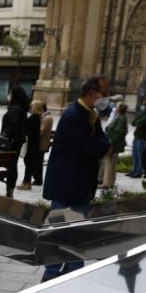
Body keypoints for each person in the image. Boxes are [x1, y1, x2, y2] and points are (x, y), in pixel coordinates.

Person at [41, 77, 111, 280]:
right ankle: (52, 274)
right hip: (68, 185)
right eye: (103, 93)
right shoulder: (74, 115)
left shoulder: (90, 115)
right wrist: (103, 146)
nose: (105, 97)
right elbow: (89, 146)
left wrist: (101, 144)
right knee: (60, 231)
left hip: (79, 184)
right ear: (92, 93)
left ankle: (73, 271)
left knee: (75, 231)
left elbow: (100, 139)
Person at [0, 85, 31, 191]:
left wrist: (4, 134)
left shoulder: (15, 109)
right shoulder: (22, 109)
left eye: (10, 93)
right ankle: (10, 189)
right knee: (13, 165)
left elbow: (12, 126)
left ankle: (10, 189)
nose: (8, 96)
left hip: (11, 142)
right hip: (17, 141)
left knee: (11, 166)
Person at [101, 101, 129, 190]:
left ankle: (107, 183)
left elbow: (119, 132)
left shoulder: (121, 118)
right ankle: (109, 182)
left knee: (109, 163)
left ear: (120, 109)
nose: (115, 108)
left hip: (113, 144)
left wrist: (111, 143)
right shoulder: (121, 117)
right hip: (114, 143)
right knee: (111, 163)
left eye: (117, 107)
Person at [23, 99, 44, 189]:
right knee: (29, 162)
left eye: (32, 106)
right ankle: (27, 181)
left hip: (31, 144)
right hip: (34, 144)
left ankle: (26, 182)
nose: (30, 107)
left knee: (28, 162)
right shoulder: (37, 118)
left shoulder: (33, 118)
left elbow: (27, 130)